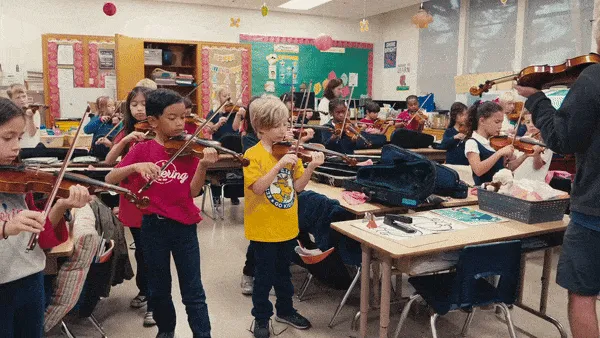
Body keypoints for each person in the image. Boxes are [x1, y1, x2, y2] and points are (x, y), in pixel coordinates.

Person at [105, 89, 217, 338]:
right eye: (172, 117)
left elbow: (193, 190)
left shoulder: (189, 150)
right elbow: (110, 177)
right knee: (158, 289)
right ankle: (166, 331)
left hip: (184, 227)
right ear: (154, 121)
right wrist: (134, 166)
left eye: (182, 117)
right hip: (152, 228)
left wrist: (203, 165)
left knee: (193, 290)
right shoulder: (142, 149)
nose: (180, 123)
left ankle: (203, 334)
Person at [515, 31, 600, 335]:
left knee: (583, 294)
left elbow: (563, 140)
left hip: (595, 210)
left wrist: (537, 99)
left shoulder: (593, 78)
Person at [0, 97, 91, 338]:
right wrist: (5, 228)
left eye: (19, 138)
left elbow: (43, 238)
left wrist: (61, 204)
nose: (17, 146)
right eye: (7, 138)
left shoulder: (18, 181)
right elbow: (9, 227)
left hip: (29, 280)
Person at [243, 95, 324, 338]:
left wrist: (309, 168)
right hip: (263, 228)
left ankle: (285, 310)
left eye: (287, 124)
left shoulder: (289, 152)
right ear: (261, 128)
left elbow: (297, 187)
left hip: (287, 225)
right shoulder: (253, 155)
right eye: (279, 125)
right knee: (263, 277)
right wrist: (278, 166)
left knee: (283, 274)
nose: (285, 130)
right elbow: (258, 187)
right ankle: (261, 317)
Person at [103, 86, 156, 327]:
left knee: (151, 252)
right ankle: (145, 290)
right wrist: (125, 139)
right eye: (134, 104)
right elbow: (108, 162)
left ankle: (155, 303)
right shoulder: (127, 132)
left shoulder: (158, 131)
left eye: (144, 104)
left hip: (154, 199)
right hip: (132, 199)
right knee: (143, 251)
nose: (139, 109)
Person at [464, 101, 527, 185]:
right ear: (482, 121)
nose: (500, 126)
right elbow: (478, 170)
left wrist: (525, 155)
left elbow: (505, 169)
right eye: (497, 122)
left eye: (501, 122)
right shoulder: (472, 142)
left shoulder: (495, 142)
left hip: (501, 190)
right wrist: (499, 153)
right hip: (484, 191)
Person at [512, 110, 552, 181]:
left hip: (534, 184)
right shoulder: (524, 139)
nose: (531, 125)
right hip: (517, 181)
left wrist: (537, 154)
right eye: (528, 122)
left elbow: (537, 166)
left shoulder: (545, 143)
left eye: (534, 121)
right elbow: (513, 162)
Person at [6, 84, 40, 148]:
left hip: (31, 148)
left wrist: (30, 117)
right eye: (18, 98)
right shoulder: (9, 113)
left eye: (24, 96)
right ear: (11, 100)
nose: (22, 100)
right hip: (15, 148)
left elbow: (32, 133)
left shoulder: (34, 112)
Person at [84, 96, 118, 160]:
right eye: (109, 106)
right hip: (97, 153)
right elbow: (86, 130)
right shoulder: (97, 119)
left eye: (113, 105)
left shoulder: (117, 119)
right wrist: (99, 120)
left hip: (113, 152)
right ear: (101, 108)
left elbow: (121, 134)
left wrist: (118, 124)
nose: (113, 108)